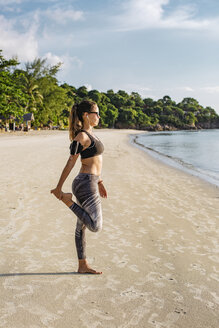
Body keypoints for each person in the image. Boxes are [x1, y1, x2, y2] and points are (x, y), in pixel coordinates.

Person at [50, 100, 107, 274]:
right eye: (96, 113)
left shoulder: (92, 134)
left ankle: (82, 264)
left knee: (81, 226)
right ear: (86, 115)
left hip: (90, 182)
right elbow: (71, 162)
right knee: (95, 226)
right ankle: (67, 201)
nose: (98, 116)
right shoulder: (81, 136)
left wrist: (100, 182)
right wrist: (59, 189)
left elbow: (95, 161)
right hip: (84, 183)